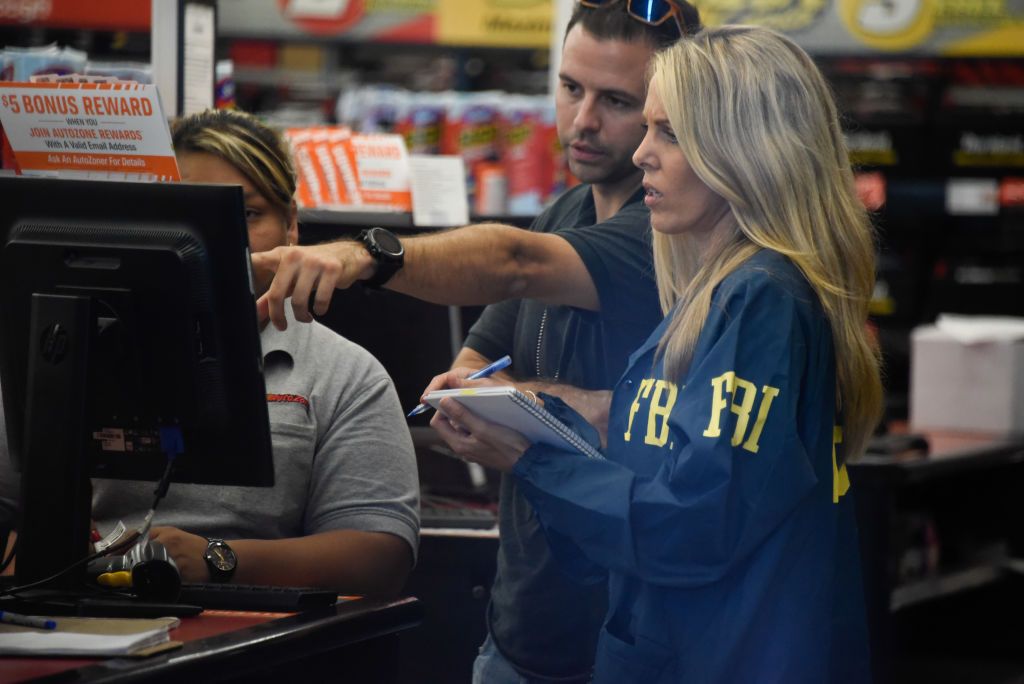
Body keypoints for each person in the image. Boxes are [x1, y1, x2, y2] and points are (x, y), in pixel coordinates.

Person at [250, 2, 701, 680]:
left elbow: (517, 263)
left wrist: (366, 256)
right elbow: (471, 366)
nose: (582, 120)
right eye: (571, 87)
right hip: (521, 628)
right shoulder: (567, 212)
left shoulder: (669, 236)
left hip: (625, 641)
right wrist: (506, 399)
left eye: (617, 101)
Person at [429, 25, 883, 683]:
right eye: (647, 128)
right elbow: (661, 485)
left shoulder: (760, 300)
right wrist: (543, 423)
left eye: (669, 133)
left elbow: (692, 528)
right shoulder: (710, 294)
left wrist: (531, 458)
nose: (642, 154)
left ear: (746, 149)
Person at [0, 109, 420, 596]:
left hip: (256, 634)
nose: (225, 235)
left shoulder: (345, 373)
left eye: (248, 214)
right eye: (191, 211)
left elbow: (381, 555)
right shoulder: (63, 350)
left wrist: (219, 559)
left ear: (291, 229)